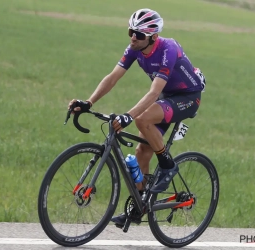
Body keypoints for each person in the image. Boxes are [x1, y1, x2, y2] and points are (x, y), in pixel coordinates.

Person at [68, 8, 206, 227]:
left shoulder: (167, 49)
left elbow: (153, 93)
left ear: (153, 37)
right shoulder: (134, 48)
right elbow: (112, 77)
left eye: (139, 34)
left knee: (142, 119)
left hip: (187, 96)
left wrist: (127, 117)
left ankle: (168, 166)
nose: (133, 37)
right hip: (167, 95)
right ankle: (139, 206)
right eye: (131, 31)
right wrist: (89, 102)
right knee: (142, 150)